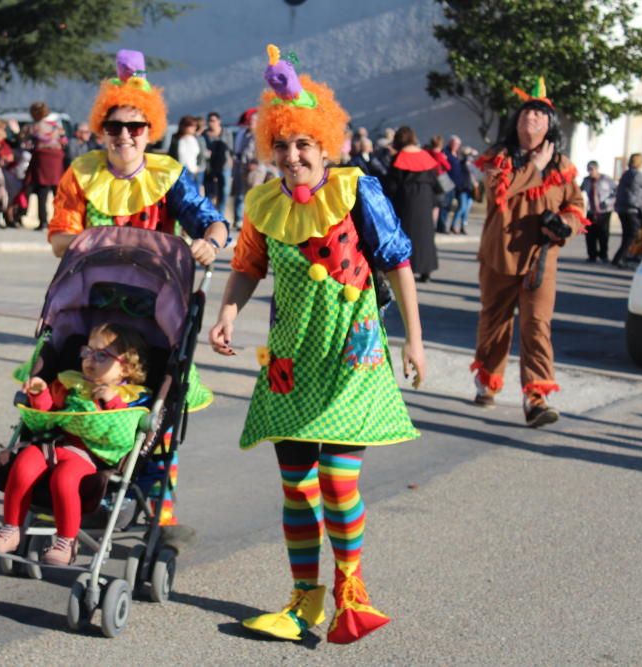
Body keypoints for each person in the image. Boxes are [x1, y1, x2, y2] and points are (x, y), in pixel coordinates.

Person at [208, 44, 425, 645]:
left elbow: (398, 262)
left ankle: (351, 591)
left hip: (352, 354)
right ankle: (304, 598)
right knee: (296, 483)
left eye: (304, 143)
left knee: (336, 477)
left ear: (326, 145)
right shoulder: (263, 203)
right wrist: (227, 311)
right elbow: (248, 264)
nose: (293, 155)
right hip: (291, 357)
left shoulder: (357, 191)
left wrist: (414, 339)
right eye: (283, 145)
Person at [47, 49, 229, 546]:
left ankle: (158, 514)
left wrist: (210, 242)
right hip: (94, 315)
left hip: (152, 317)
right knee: (80, 401)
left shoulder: (166, 175)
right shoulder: (81, 174)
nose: (125, 136)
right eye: (115, 127)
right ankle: (77, 494)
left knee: (158, 414)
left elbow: (212, 220)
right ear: (100, 129)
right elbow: (61, 235)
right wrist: (94, 241)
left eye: (136, 127)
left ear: (151, 131)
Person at [0, 323, 151, 566]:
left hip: (88, 455)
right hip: (53, 443)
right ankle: (11, 529)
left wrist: (112, 402)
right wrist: (39, 393)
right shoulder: (70, 383)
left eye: (101, 355)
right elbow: (49, 411)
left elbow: (122, 433)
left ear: (126, 366)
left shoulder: (130, 395)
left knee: (64, 480)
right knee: (22, 465)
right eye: (88, 352)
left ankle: (66, 541)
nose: (90, 359)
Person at [470, 76, 587, 427]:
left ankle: (536, 397)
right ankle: (487, 381)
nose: (530, 120)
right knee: (495, 323)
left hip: (540, 259)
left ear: (550, 124)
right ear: (516, 121)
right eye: (525, 114)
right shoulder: (497, 158)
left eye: (538, 115)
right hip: (499, 256)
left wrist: (566, 223)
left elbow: (577, 205)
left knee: (537, 326)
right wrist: (533, 168)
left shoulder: (562, 165)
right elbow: (499, 194)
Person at [385, 126, 442, 282]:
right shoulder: (425, 155)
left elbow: (391, 185)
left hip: (406, 202)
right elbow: (436, 182)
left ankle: (406, 268)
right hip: (425, 201)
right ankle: (426, 271)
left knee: (406, 234)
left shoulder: (398, 158)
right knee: (425, 236)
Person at [24, 101, 66, 231]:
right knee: (57, 192)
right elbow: (64, 141)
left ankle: (43, 221)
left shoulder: (34, 127)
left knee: (43, 190)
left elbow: (25, 141)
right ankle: (61, 221)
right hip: (56, 159)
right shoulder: (56, 126)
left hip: (42, 159)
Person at [613, 153, 642, 268]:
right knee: (633, 235)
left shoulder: (626, 174)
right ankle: (620, 258)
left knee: (627, 235)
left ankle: (621, 257)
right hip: (633, 209)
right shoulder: (638, 175)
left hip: (622, 208)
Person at [580, 160, 616, 263]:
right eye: (588, 169)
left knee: (603, 234)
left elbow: (616, 191)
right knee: (590, 234)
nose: (590, 171)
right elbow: (579, 191)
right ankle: (592, 255)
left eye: (591, 169)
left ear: (597, 169)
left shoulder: (606, 179)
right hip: (591, 210)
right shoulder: (586, 181)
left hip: (604, 210)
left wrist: (608, 202)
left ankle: (603, 255)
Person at [231, 108, 258, 229]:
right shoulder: (243, 134)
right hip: (241, 166)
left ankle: (253, 220)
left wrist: (255, 162)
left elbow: (262, 151)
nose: (250, 123)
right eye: (249, 121)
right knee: (241, 194)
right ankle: (239, 220)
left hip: (255, 168)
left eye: (252, 121)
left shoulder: (259, 135)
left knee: (254, 194)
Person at [202, 111, 234, 213]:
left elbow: (231, 149)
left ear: (218, 121)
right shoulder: (205, 135)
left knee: (224, 191)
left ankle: (221, 212)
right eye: (209, 121)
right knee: (210, 192)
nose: (211, 123)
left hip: (225, 166)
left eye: (213, 121)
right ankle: (210, 213)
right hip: (210, 167)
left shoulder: (226, 132)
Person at [436, 135, 463, 232]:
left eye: (458, 144)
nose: (457, 146)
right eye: (455, 144)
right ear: (450, 143)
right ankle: (441, 227)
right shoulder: (445, 152)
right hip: (447, 183)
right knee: (444, 205)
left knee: (451, 206)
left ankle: (446, 225)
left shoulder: (457, 154)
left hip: (456, 185)